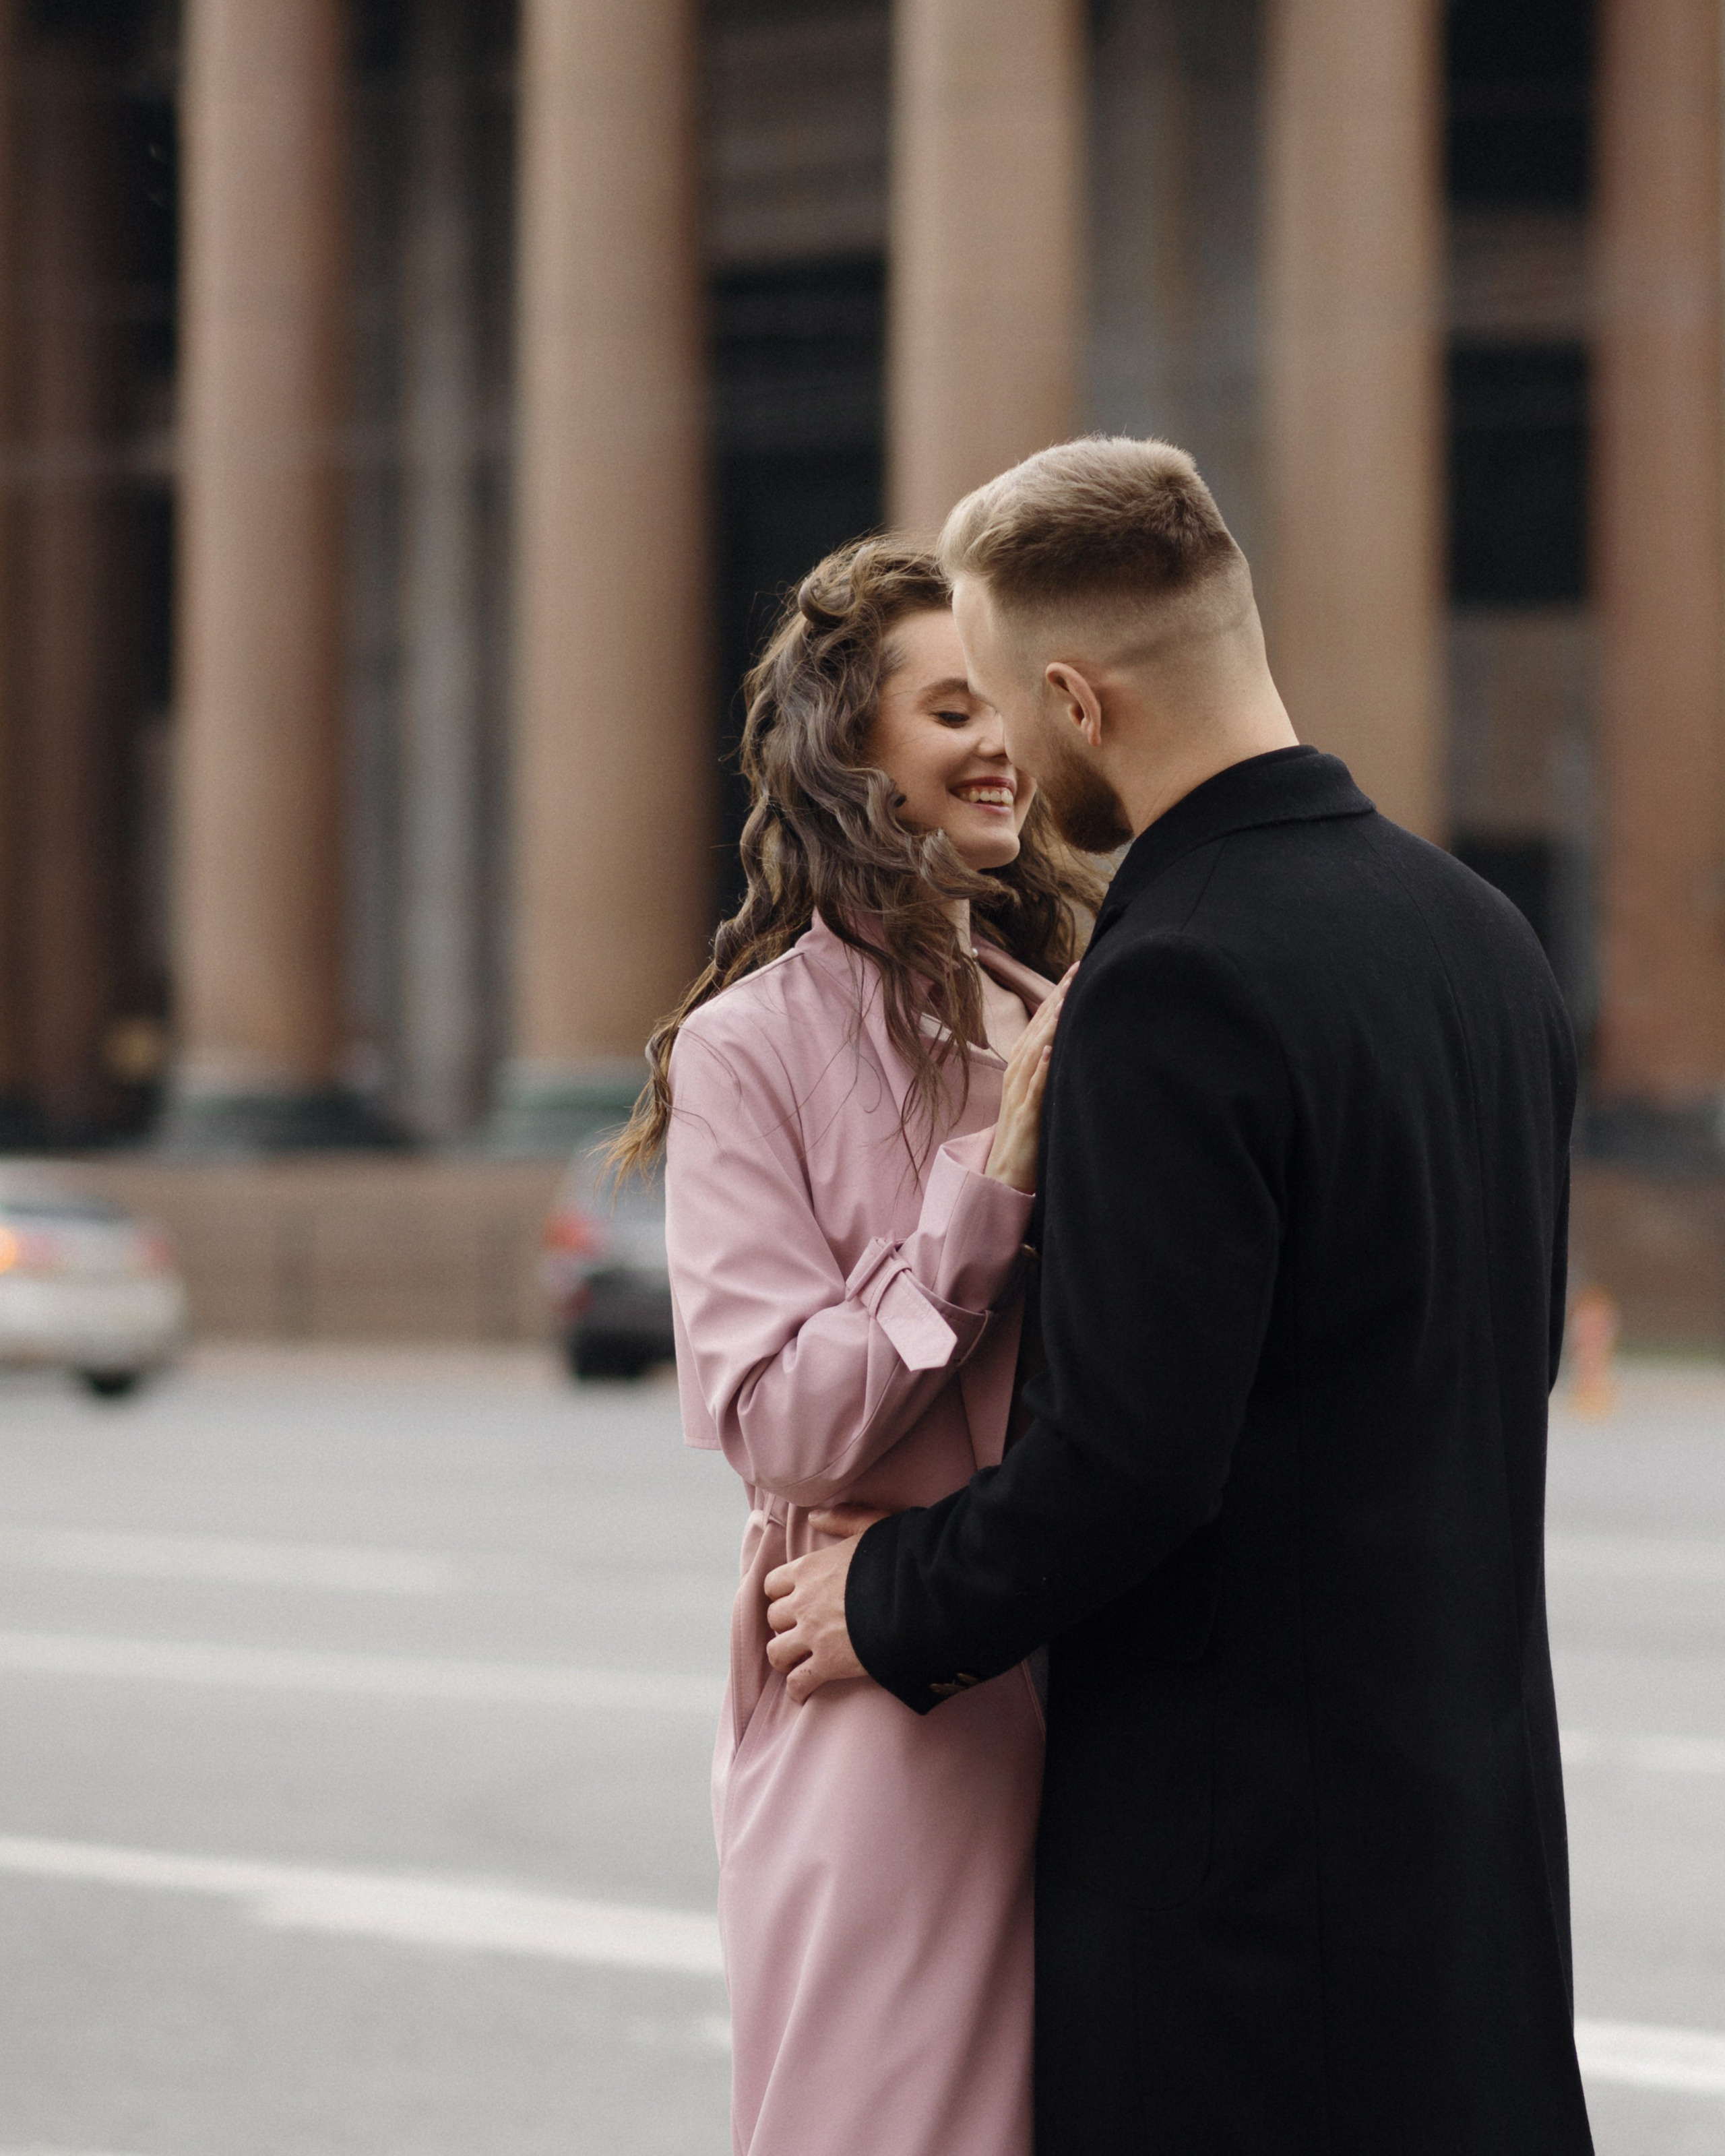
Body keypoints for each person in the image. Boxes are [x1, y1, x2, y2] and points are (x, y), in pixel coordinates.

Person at [763, 439, 1597, 2155]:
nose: (1001, 742)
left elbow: (1131, 1456)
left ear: (1076, 696)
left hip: (1241, 1924)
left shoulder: (1170, 978)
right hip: (1472, 1870)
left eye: (1002, 698)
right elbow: (1497, 1364)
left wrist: (887, 1593)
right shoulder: (1481, 940)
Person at [608, 538, 1104, 2156]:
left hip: (1094, 1694)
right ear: (852, 750)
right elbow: (782, 1424)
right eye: (944, 707)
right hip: (872, 1706)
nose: (992, 746)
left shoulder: (1067, 1008)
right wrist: (985, 1192)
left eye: (1005, 706)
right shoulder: (747, 1049)